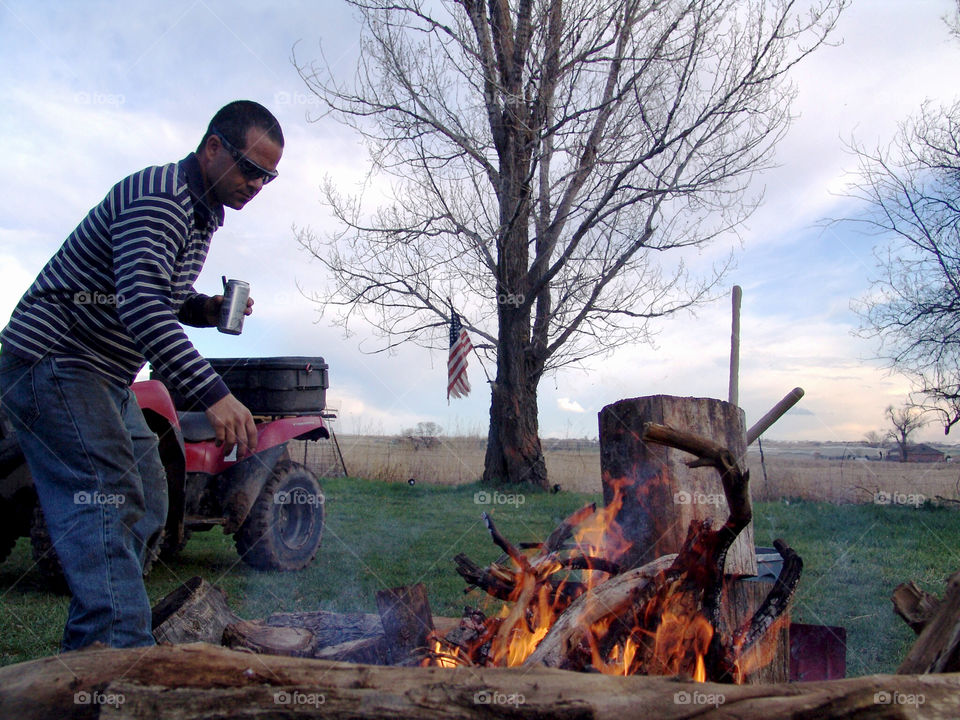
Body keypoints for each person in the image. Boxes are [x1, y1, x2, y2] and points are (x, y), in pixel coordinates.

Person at [0, 100, 283, 651]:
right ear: (212, 148)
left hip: (100, 374)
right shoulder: (162, 197)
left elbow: (160, 296)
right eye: (251, 168)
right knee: (107, 494)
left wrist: (204, 310)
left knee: (151, 495)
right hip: (55, 358)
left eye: (269, 176)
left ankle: (98, 644)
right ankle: (114, 660)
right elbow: (142, 307)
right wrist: (214, 394)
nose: (258, 183)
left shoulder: (201, 214)